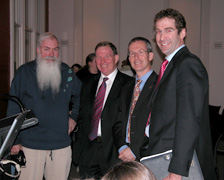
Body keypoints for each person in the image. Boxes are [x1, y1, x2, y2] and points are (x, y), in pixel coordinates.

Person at [141, 8, 215, 180]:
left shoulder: (188, 64)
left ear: (182, 33)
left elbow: (188, 120)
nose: (161, 37)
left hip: (176, 162)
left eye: (168, 30)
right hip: (162, 154)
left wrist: (177, 170)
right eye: (158, 31)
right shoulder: (170, 66)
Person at [7, 32, 82, 180]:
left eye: (55, 49)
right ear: (38, 50)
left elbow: (80, 96)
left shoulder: (67, 72)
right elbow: (13, 108)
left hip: (60, 144)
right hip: (30, 144)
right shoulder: (24, 72)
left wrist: (74, 117)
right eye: (47, 49)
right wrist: (14, 141)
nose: (51, 54)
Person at [72, 41, 133, 179]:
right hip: (88, 150)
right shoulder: (88, 83)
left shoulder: (128, 84)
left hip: (113, 151)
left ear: (116, 58)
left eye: (107, 56)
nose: (102, 61)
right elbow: (83, 115)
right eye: (98, 57)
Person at [113, 37, 157, 161]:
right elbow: (118, 122)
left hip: (146, 154)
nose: (136, 57)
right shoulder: (126, 88)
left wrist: (135, 150)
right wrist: (121, 147)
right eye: (132, 54)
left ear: (150, 56)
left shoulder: (160, 86)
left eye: (141, 52)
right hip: (124, 153)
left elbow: (158, 126)